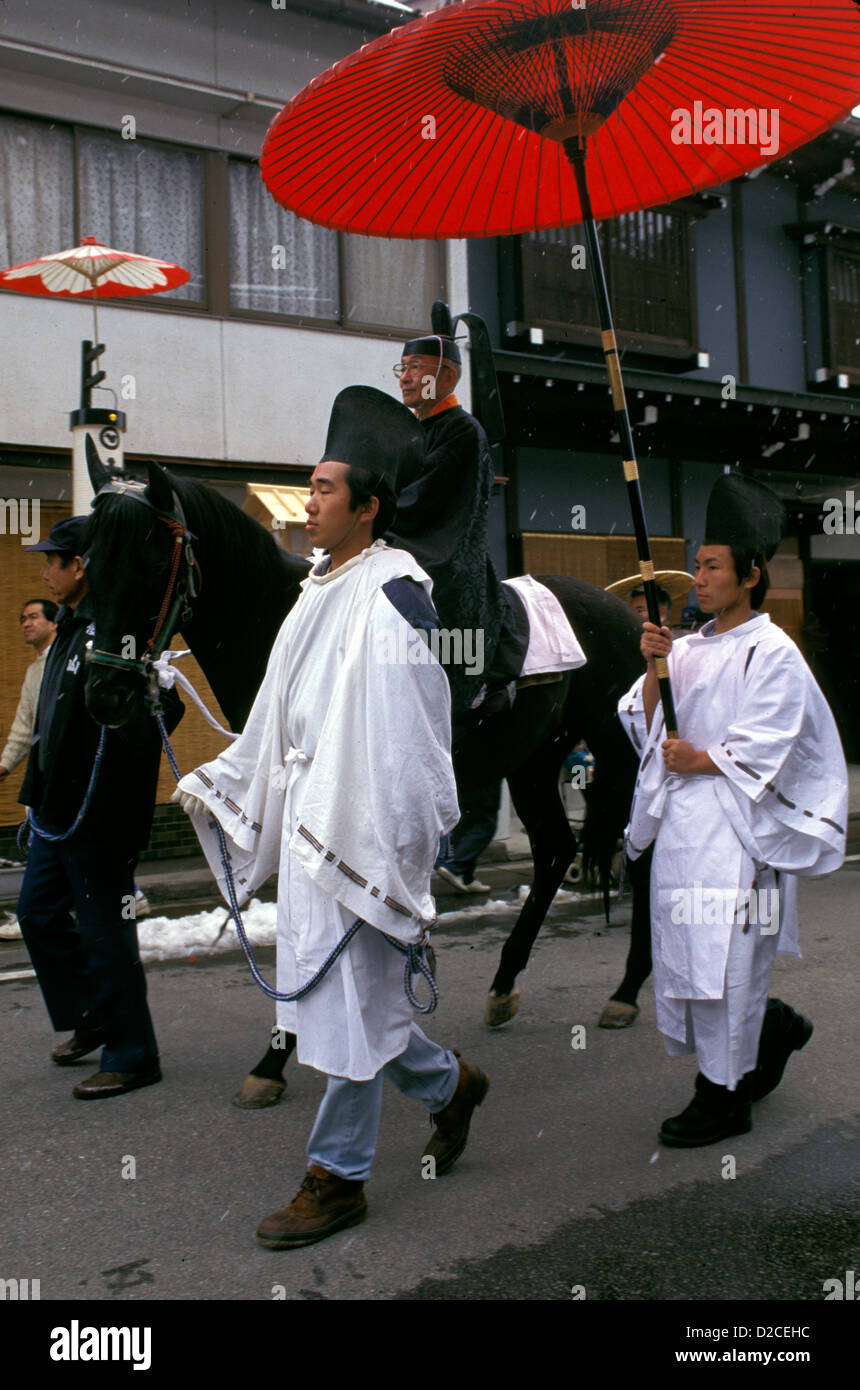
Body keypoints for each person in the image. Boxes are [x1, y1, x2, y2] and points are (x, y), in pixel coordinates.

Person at [174, 387, 490, 1248]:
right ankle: (449, 1084)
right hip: (315, 818)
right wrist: (228, 776)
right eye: (307, 489)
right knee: (346, 1004)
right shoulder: (317, 588)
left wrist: (387, 838)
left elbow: (418, 730)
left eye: (323, 490)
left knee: (351, 1005)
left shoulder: (394, 592)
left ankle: (337, 1176)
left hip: (358, 832)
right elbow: (279, 714)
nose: (308, 503)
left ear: (368, 507)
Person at [618, 474, 847, 1146]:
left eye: (712, 567)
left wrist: (704, 758)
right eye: (696, 566)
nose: (699, 578)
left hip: (741, 835)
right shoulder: (686, 648)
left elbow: (773, 741)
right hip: (687, 834)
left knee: (732, 964)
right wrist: (654, 668)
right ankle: (761, 1037)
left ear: (750, 575)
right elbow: (645, 724)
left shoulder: (774, 651)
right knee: (692, 957)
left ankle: (724, 1096)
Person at [16, 517, 181, 1099]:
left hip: (98, 817)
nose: (44, 572)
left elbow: (169, 709)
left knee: (105, 935)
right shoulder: (66, 629)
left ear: (80, 565)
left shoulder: (116, 627)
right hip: (54, 814)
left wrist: (144, 702)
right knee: (36, 916)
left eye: (53, 561)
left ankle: (133, 1054)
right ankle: (94, 1018)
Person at [390, 322, 527, 724]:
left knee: (440, 630)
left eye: (416, 367)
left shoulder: (463, 431)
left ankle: (461, 705)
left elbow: (420, 504)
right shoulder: (408, 430)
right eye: (402, 368)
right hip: (405, 545)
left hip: (447, 555)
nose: (407, 377)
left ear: (447, 376)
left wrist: (377, 521)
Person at [0, 598, 57, 941]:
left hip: (66, 777)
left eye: (34, 617)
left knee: (49, 842)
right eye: (23, 618)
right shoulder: (34, 670)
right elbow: (25, 727)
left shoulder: (67, 662)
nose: (26, 623)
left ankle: (33, 913)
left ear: (54, 623)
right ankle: (131, 896)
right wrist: (6, 763)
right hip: (44, 775)